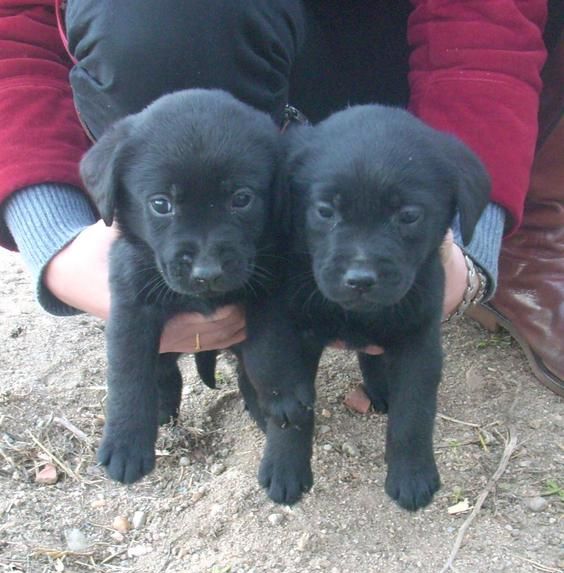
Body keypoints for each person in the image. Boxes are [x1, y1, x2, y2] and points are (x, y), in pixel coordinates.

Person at [0, 1, 561, 395]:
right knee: (154, 16)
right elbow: (14, 30)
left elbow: (488, 30)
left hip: (393, 61)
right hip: (221, 62)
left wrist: (469, 240)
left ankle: (535, 221)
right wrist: (55, 239)